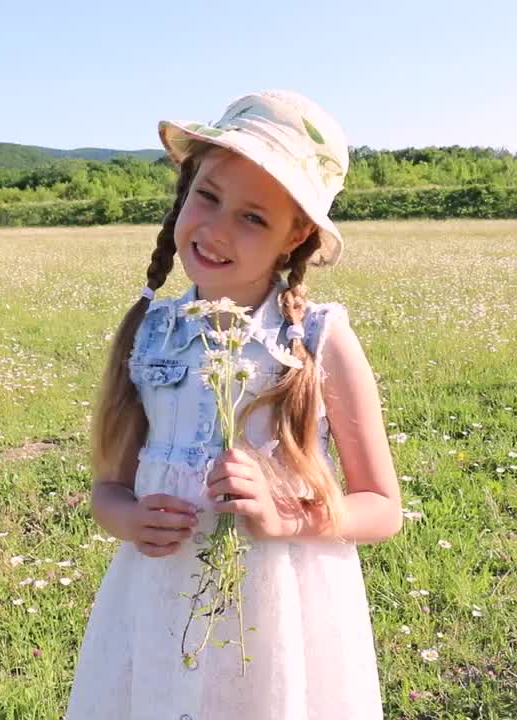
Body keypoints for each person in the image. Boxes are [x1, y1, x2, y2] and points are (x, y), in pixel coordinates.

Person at [65, 89, 402, 720]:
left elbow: (382, 508)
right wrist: (131, 520)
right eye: (208, 196)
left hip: (279, 617)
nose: (216, 230)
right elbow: (107, 490)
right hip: (160, 603)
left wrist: (287, 516)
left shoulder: (317, 340)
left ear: (295, 235)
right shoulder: (150, 331)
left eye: (253, 218)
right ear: (185, 190)